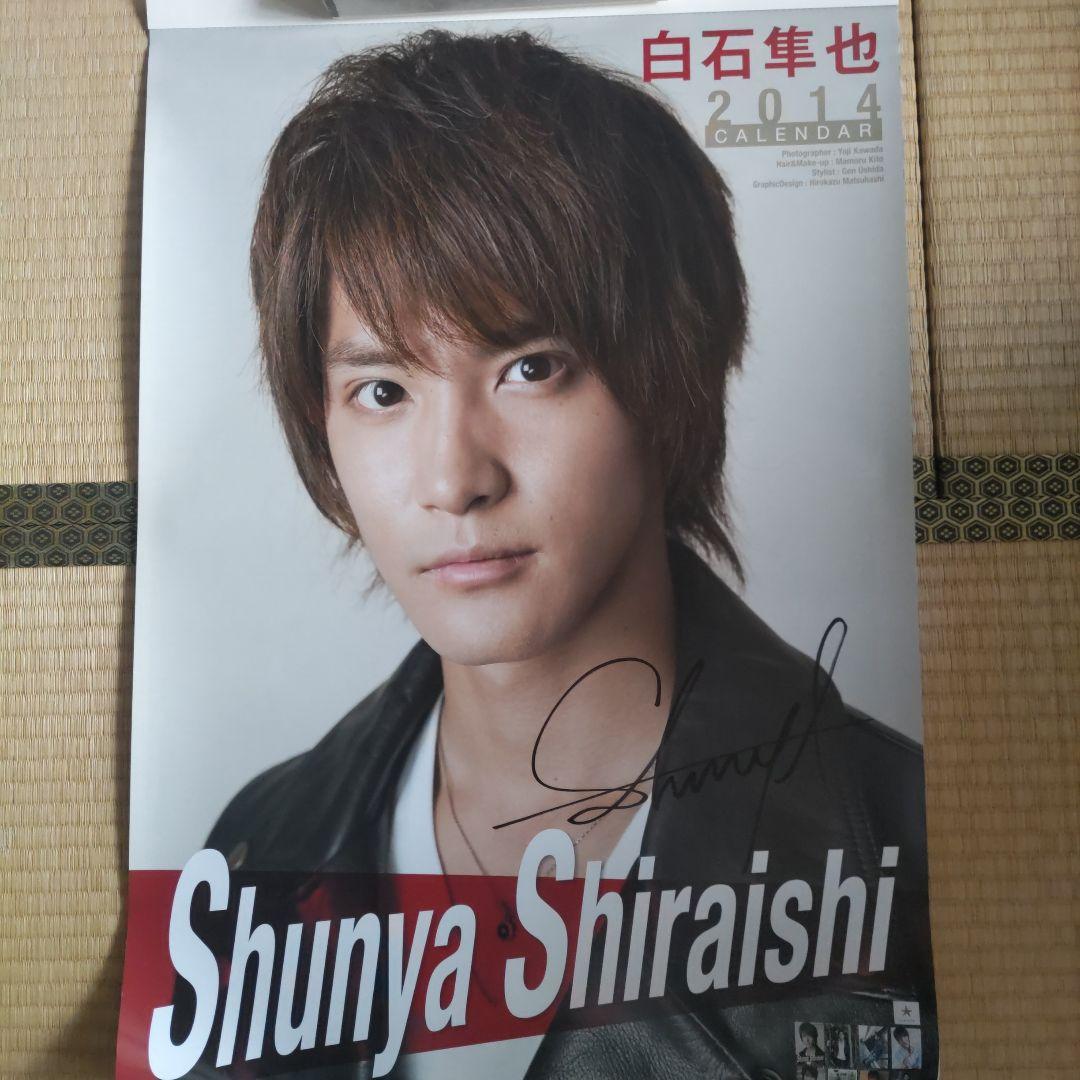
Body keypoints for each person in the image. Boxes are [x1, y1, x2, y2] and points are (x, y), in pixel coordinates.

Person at [198, 28, 936, 1079]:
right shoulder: (261, 849)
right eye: (383, 390)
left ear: (672, 373)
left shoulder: (908, 848)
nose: (454, 478)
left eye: (531, 368)